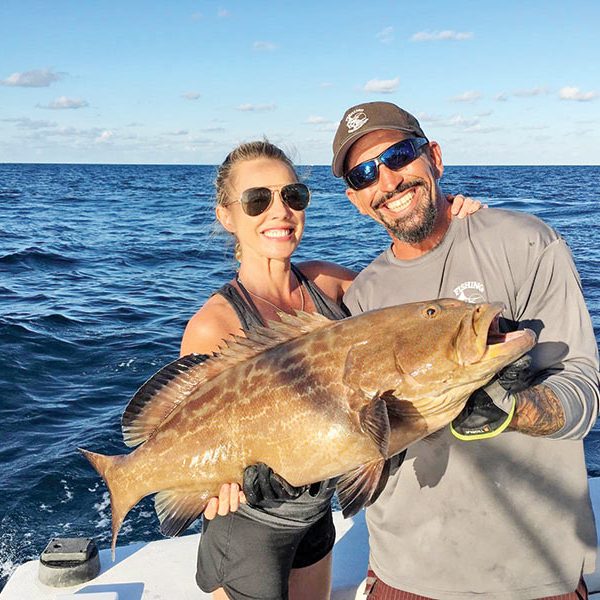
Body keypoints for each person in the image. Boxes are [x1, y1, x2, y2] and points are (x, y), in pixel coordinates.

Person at [180, 139, 482, 600]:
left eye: (293, 196)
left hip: (317, 516)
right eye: (257, 200)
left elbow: (408, 303)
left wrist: (451, 222)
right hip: (248, 532)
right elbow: (187, 433)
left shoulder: (330, 282)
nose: (279, 212)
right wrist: (211, 490)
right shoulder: (212, 326)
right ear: (227, 216)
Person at [331, 101, 600, 600]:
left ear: (433, 156)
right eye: (365, 172)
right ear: (356, 199)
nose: (387, 179)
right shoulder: (362, 297)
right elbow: (357, 445)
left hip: (536, 575)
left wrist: (511, 408)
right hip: (404, 574)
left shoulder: (524, 244)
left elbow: (584, 386)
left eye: (399, 155)